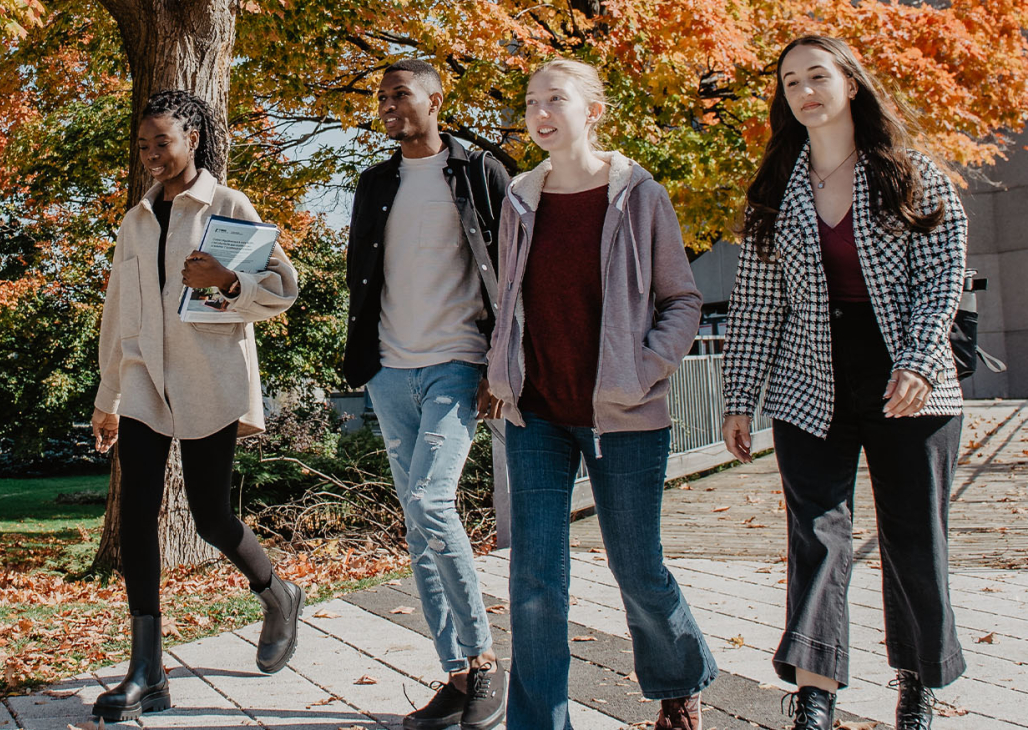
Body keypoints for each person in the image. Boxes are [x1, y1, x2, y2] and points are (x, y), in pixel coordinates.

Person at [721, 36, 968, 730]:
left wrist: (918, 360)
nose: (805, 90)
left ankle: (918, 683)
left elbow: (941, 277)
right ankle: (815, 691)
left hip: (907, 382)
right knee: (817, 538)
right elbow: (758, 303)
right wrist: (740, 397)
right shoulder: (774, 191)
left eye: (818, 75)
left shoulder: (911, 175)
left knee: (914, 538)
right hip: (810, 382)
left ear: (850, 84)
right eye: (791, 80)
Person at [484, 59, 716, 730]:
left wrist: (641, 371)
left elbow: (683, 301)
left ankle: (680, 678)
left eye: (556, 97)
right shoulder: (520, 198)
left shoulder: (640, 195)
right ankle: (538, 722)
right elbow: (509, 301)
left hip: (626, 418)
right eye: (531, 101)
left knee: (638, 569)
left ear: (594, 112)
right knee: (533, 582)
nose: (540, 111)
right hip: (538, 417)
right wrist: (501, 371)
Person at [88, 89, 303, 722]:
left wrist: (228, 280)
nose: (153, 154)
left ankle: (278, 594)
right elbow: (117, 313)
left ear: (194, 140)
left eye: (165, 141)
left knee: (210, 516)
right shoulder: (135, 220)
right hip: (143, 382)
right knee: (136, 515)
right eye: (145, 144)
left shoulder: (226, 206)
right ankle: (147, 670)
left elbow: (282, 290)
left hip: (208, 377)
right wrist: (108, 397)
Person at [339, 58, 509, 730]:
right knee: (417, 521)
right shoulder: (374, 182)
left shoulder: (479, 173)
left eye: (400, 93)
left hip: (457, 364)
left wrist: (501, 363)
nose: (387, 104)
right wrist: (367, 361)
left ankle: (486, 662)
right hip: (389, 371)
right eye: (381, 96)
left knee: (432, 500)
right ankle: (458, 675)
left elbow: (509, 273)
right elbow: (362, 274)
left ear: (436, 100)